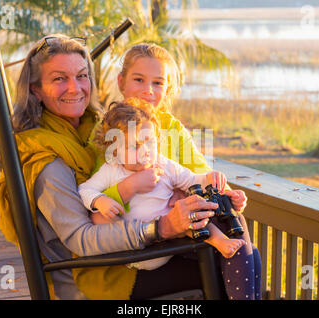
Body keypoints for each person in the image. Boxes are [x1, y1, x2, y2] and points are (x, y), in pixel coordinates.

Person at [0, 34, 229, 300]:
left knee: (229, 248)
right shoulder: (47, 161)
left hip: (130, 252)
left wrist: (176, 189)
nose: (74, 88)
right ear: (35, 89)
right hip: (98, 275)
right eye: (59, 78)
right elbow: (82, 239)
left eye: (81, 75)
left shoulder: (97, 130)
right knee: (216, 267)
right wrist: (160, 228)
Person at [111, 43, 262, 300]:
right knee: (243, 254)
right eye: (139, 80)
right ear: (121, 81)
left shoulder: (172, 127)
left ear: (167, 89)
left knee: (240, 238)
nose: (148, 90)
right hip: (143, 234)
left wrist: (226, 191)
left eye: (158, 83)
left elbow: (201, 172)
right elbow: (99, 190)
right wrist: (135, 185)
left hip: (185, 229)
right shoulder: (112, 126)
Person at [78, 98, 246, 271]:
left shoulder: (164, 165)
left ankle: (221, 241)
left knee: (194, 217)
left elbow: (192, 180)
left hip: (170, 240)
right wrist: (99, 201)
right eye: (135, 146)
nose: (145, 151)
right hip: (134, 248)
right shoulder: (111, 170)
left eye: (150, 142)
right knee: (102, 220)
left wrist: (210, 178)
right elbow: (85, 189)